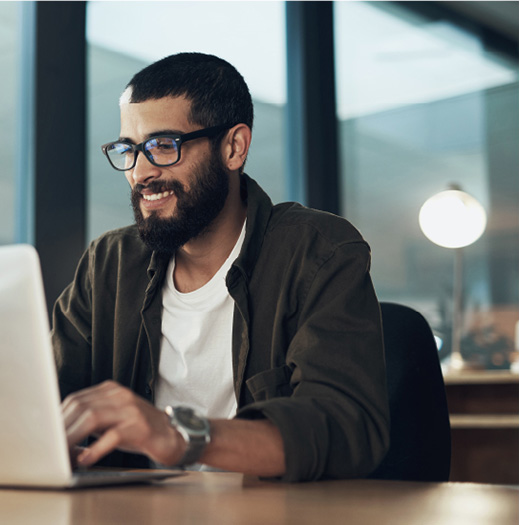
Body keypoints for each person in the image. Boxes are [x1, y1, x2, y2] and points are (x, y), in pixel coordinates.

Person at [52, 52, 389, 482]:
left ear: (233, 147)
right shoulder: (109, 264)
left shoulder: (318, 251)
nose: (140, 172)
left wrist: (182, 436)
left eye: (163, 146)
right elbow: (44, 397)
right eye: (129, 149)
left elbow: (346, 427)